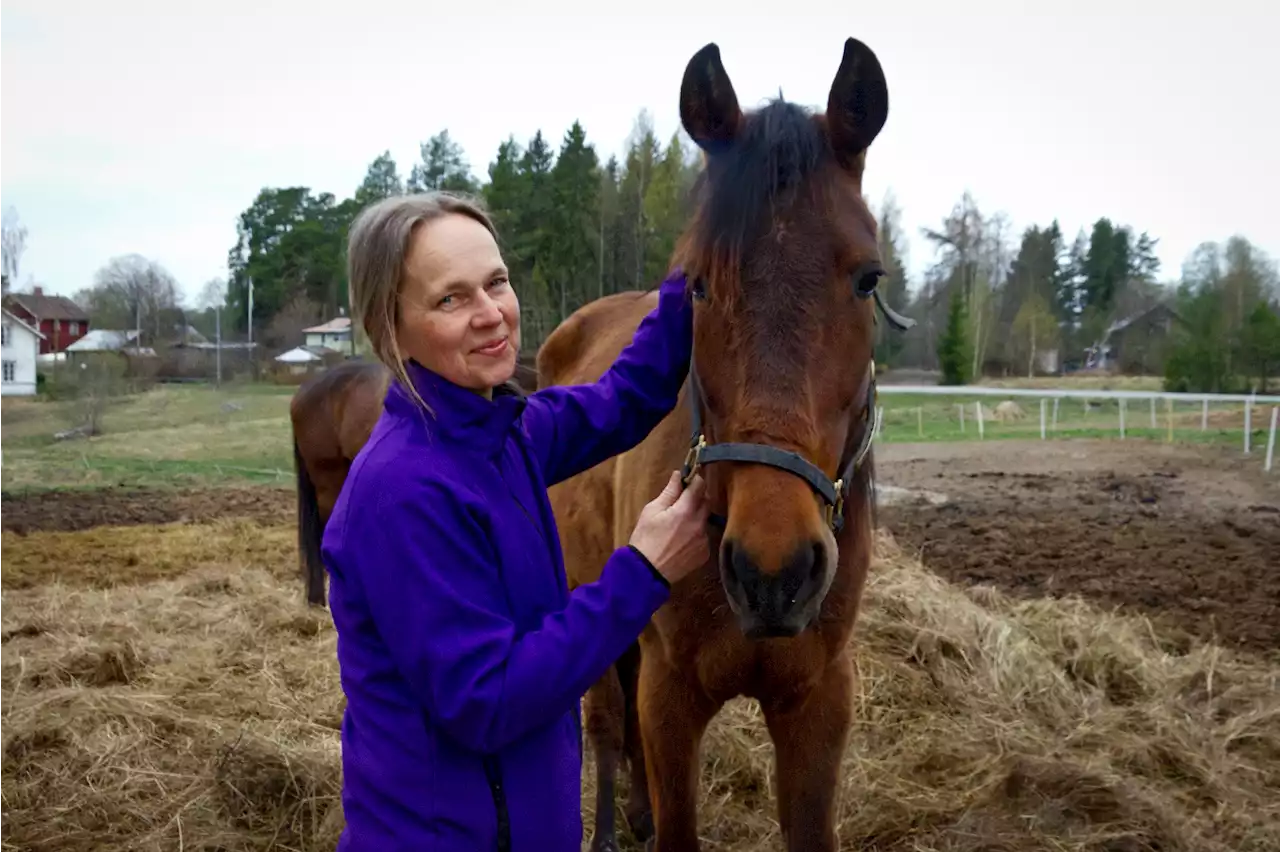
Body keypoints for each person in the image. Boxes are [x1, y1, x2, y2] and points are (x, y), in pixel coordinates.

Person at [320, 190, 709, 852]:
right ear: (391, 327)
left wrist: (699, 260)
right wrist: (642, 573)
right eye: (451, 298)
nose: (490, 315)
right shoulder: (403, 490)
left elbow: (626, 396)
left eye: (496, 282)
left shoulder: (503, 433)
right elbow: (488, 699)